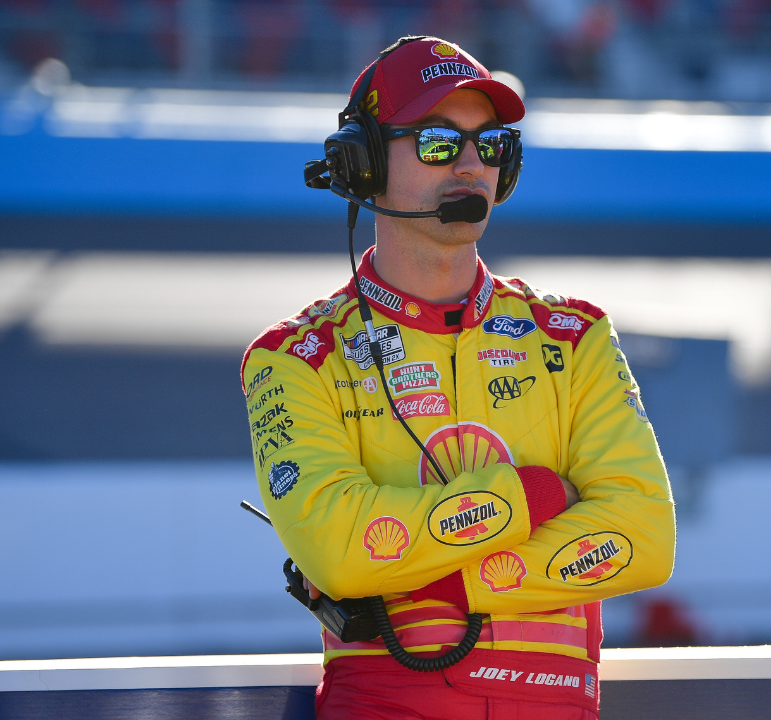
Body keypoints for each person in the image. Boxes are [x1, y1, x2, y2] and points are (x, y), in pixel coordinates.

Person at [241, 36, 675, 720]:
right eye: (439, 141)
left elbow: (645, 539)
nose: (472, 163)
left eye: (490, 144)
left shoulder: (575, 336)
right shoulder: (294, 359)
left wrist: (448, 585)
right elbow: (340, 553)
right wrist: (531, 499)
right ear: (364, 165)